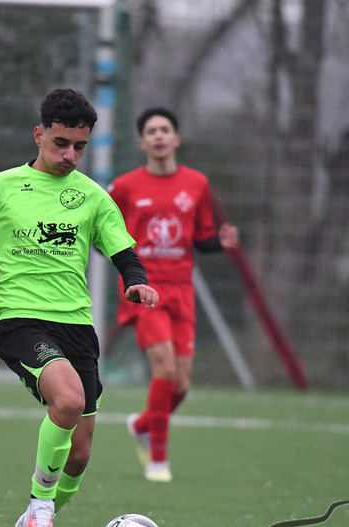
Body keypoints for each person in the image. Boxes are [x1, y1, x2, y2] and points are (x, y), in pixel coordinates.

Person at [0, 89, 159, 527]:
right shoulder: (0, 187)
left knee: (79, 456)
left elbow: (123, 251)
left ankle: (35, 514)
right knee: (68, 400)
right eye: (61, 143)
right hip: (17, 317)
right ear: (39, 134)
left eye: (79, 147)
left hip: (76, 325)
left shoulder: (91, 197)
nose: (70, 155)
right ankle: (42, 512)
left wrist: (137, 284)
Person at [107, 107, 239, 482]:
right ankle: (158, 459)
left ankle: (142, 424)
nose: (159, 136)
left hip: (181, 290)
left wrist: (221, 244)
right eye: (152, 131)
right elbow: (104, 233)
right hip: (143, 289)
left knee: (181, 384)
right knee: (163, 368)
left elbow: (201, 237)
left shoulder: (197, 183)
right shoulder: (125, 187)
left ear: (176, 139)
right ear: (142, 142)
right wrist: (126, 272)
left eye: (166, 129)